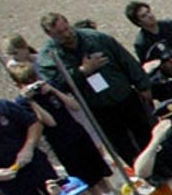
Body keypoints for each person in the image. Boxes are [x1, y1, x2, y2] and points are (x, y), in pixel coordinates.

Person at [35, 12, 154, 164]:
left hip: (124, 95)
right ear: (49, 34)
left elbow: (125, 60)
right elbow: (55, 84)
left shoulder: (95, 38)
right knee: (120, 143)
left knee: (144, 132)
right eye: (60, 33)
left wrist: (143, 85)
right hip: (98, 107)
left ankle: (158, 166)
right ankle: (138, 172)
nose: (67, 34)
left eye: (67, 28)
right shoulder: (49, 56)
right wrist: (82, 72)